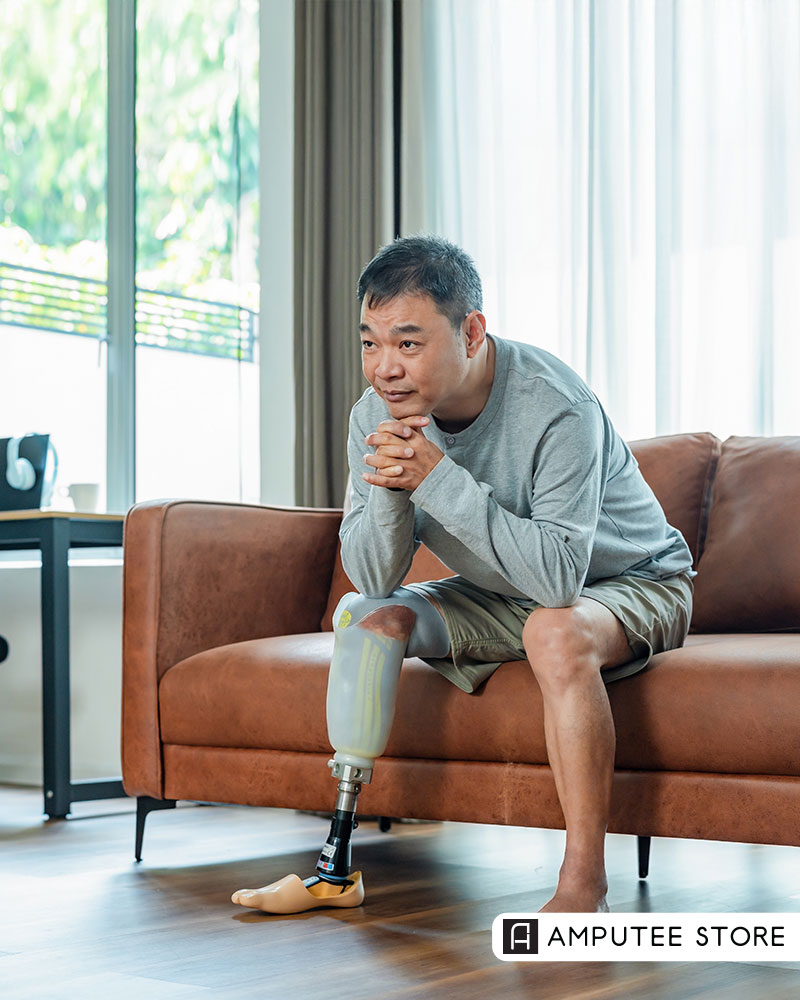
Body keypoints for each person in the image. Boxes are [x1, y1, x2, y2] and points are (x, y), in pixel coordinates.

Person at [231, 235, 694, 915]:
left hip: (632, 582)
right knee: (367, 618)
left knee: (555, 634)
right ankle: (336, 866)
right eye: (370, 343)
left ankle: (582, 883)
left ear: (471, 331)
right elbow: (373, 577)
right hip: (506, 589)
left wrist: (437, 479)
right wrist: (392, 487)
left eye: (408, 344)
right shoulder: (374, 415)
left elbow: (562, 579)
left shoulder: (558, 408)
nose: (384, 368)